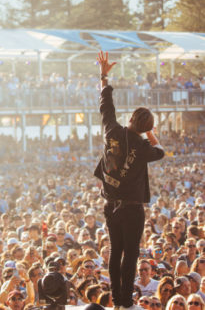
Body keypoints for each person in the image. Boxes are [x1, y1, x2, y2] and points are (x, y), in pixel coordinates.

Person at [95, 51, 165, 310]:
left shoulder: (112, 130)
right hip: (133, 208)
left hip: (111, 203)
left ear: (131, 119)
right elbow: (160, 152)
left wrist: (104, 76)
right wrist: (150, 134)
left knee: (116, 251)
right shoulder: (145, 147)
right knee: (131, 254)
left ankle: (117, 299)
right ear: (146, 126)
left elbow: (106, 105)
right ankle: (125, 302)